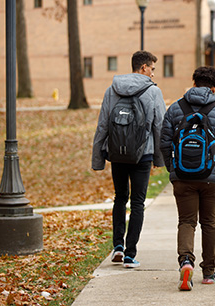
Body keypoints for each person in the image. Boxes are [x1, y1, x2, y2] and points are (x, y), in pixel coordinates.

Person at [160, 66, 215, 290]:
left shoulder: (175, 108)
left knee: (186, 221)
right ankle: (209, 272)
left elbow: (164, 142)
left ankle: (186, 261)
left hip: (183, 176)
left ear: (194, 83)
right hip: (212, 177)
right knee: (209, 223)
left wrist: (173, 169)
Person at [92, 51, 166, 268]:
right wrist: (160, 160)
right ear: (143, 67)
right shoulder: (153, 92)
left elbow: (103, 126)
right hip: (142, 154)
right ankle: (130, 254)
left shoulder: (111, 90)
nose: (153, 73)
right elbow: (160, 127)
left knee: (120, 197)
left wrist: (98, 159)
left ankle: (117, 246)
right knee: (137, 202)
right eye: (152, 68)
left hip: (116, 153)